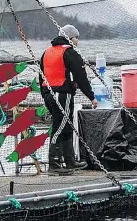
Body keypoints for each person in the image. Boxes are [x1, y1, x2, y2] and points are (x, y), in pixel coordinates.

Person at [39, 24, 98, 173]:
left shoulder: (47, 52)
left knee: (66, 125)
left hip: (49, 93)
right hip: (62, 93)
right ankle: (53, 162)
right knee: (60, 127)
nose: (78, 40)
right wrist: (91, 97)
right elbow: (81, 77)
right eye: (76, 37)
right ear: (70, 38)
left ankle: (69, 161)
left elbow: (41, 77)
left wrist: (45, 96)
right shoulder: (70, 52)